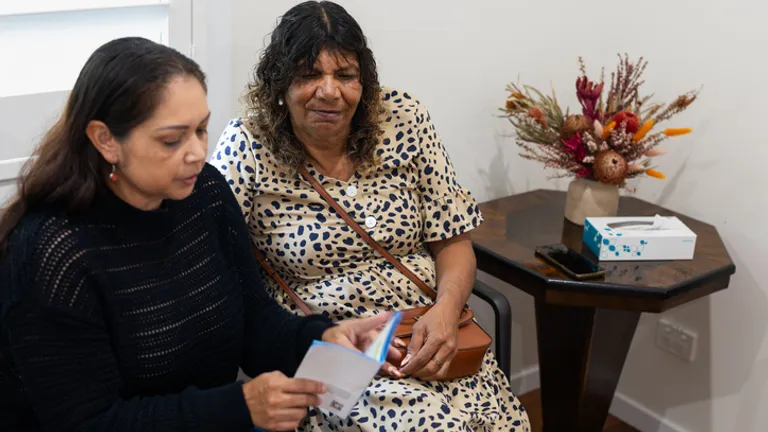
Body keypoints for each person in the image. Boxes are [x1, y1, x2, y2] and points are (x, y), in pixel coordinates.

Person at [0, 36, 401, 432]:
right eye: (172, 139)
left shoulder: (203, 193)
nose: (196, 153)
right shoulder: (52, 253)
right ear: (106, 140)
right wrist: (238, 407)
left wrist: (322, 338)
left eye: (201, 130)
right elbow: (91, 421)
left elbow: (253, 321)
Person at [212, 1, 530, 431]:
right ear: (279, 81)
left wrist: (446, 310)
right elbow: (216, 266)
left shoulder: (404, 119)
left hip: (427, 331)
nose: (329, 91)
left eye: (345, 75)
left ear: (365, 81)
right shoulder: (247, 144)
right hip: (333, 346)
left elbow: (453, 240)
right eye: (308, 75)